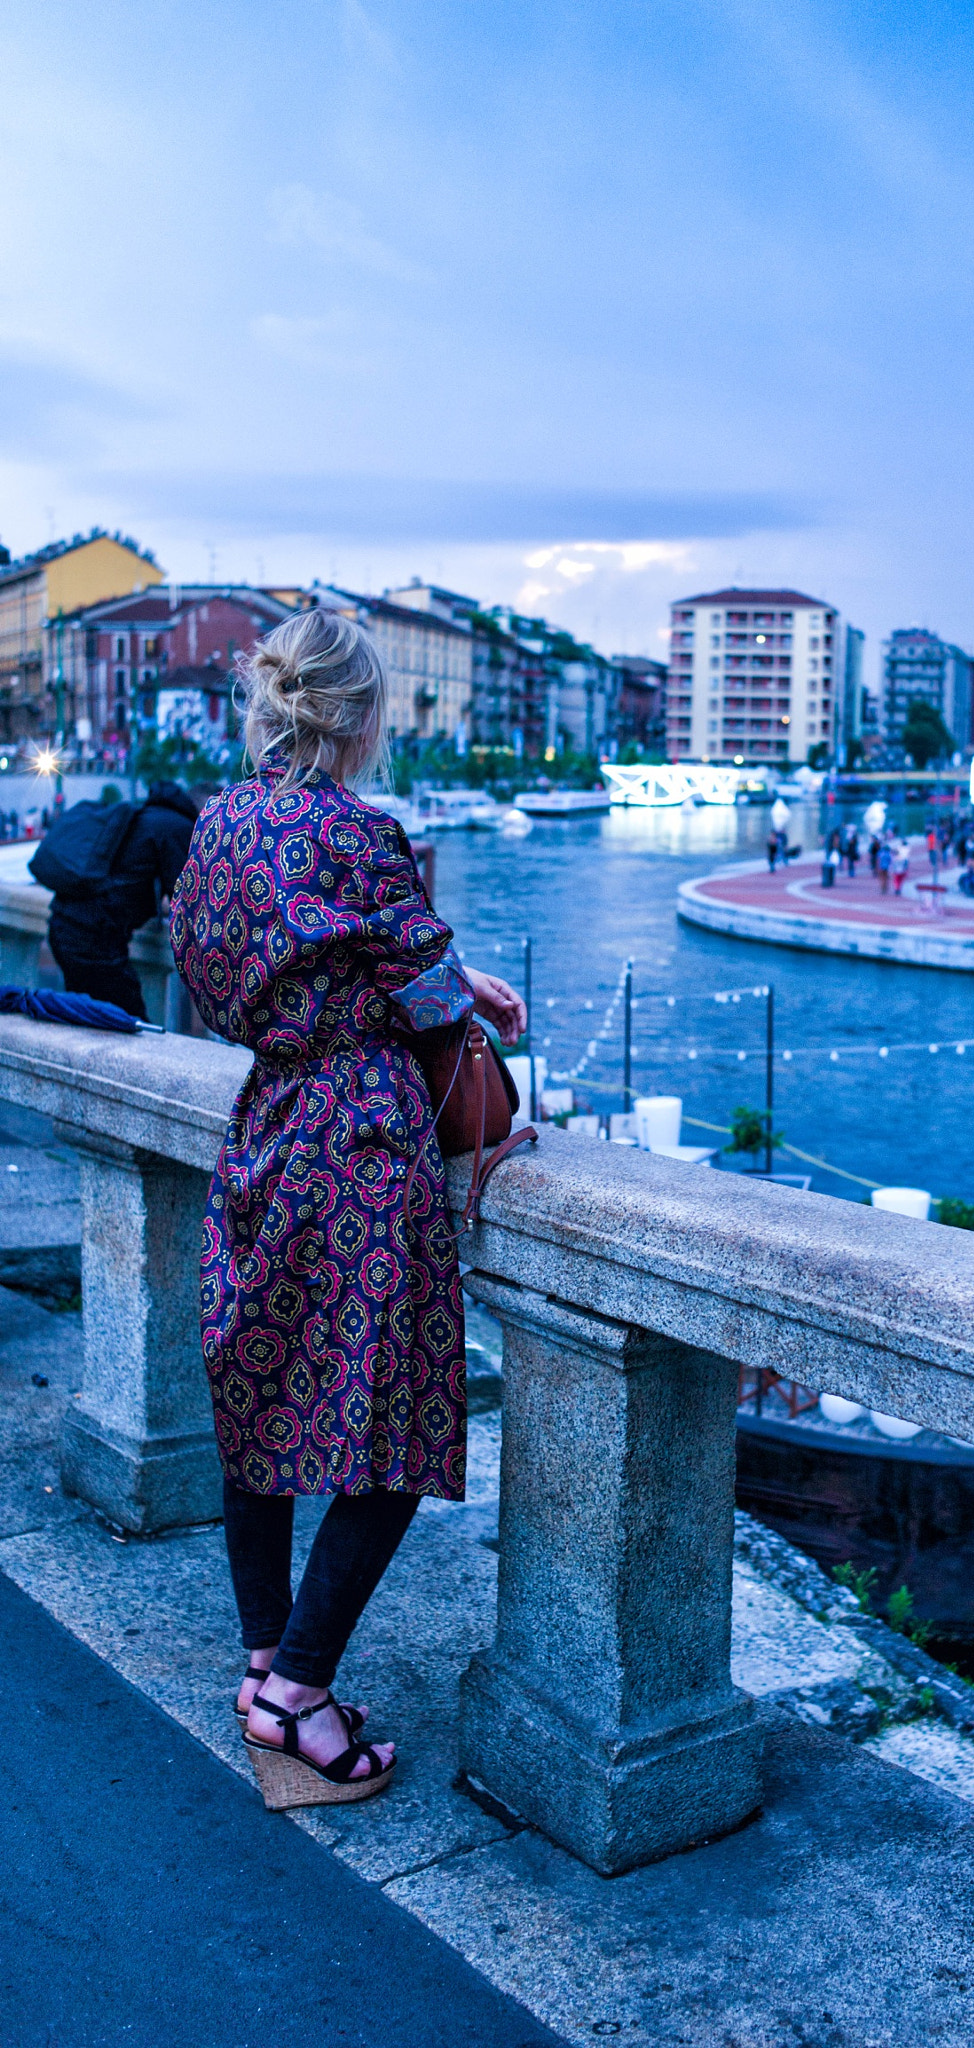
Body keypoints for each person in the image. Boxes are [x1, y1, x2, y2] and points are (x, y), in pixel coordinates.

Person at [169, 606, 526, 1810]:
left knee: (257, 1398)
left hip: (263, 1126)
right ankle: (298, 1694)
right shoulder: (362, 833)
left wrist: (416, 974)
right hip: (362, 1149)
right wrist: (461, 984)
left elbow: (229, 971)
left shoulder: (219, 825)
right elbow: (431, 1007)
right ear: (363, 716)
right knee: (390, 1420)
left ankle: (267, 1657)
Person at [46, 781, 206, 1019]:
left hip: (65, 927)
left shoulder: (150, 816)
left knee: (93, 1023)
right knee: (132, 1028)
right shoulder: (179, 828)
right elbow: (188, 901)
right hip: (94, 941)